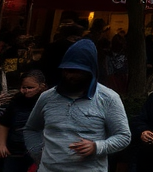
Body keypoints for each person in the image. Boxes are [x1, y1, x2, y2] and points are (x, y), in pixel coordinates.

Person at [22, 38, 131, 171]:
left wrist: (97, 146)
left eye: (77, 71)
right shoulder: (47, 97)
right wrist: (38, 153)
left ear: (90, 72)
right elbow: (31, 129)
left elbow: (123, 136)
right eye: (67, 70)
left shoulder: (108, 98)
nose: (70, 76)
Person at [0, 70, 47, 172]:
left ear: (42, 86)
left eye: (30, 88)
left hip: (40, 152)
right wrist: (1, 145)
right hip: (15, 152)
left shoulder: (48, 102)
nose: (26, 91)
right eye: (24, 87)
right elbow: (4, 123)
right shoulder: (16, 101)